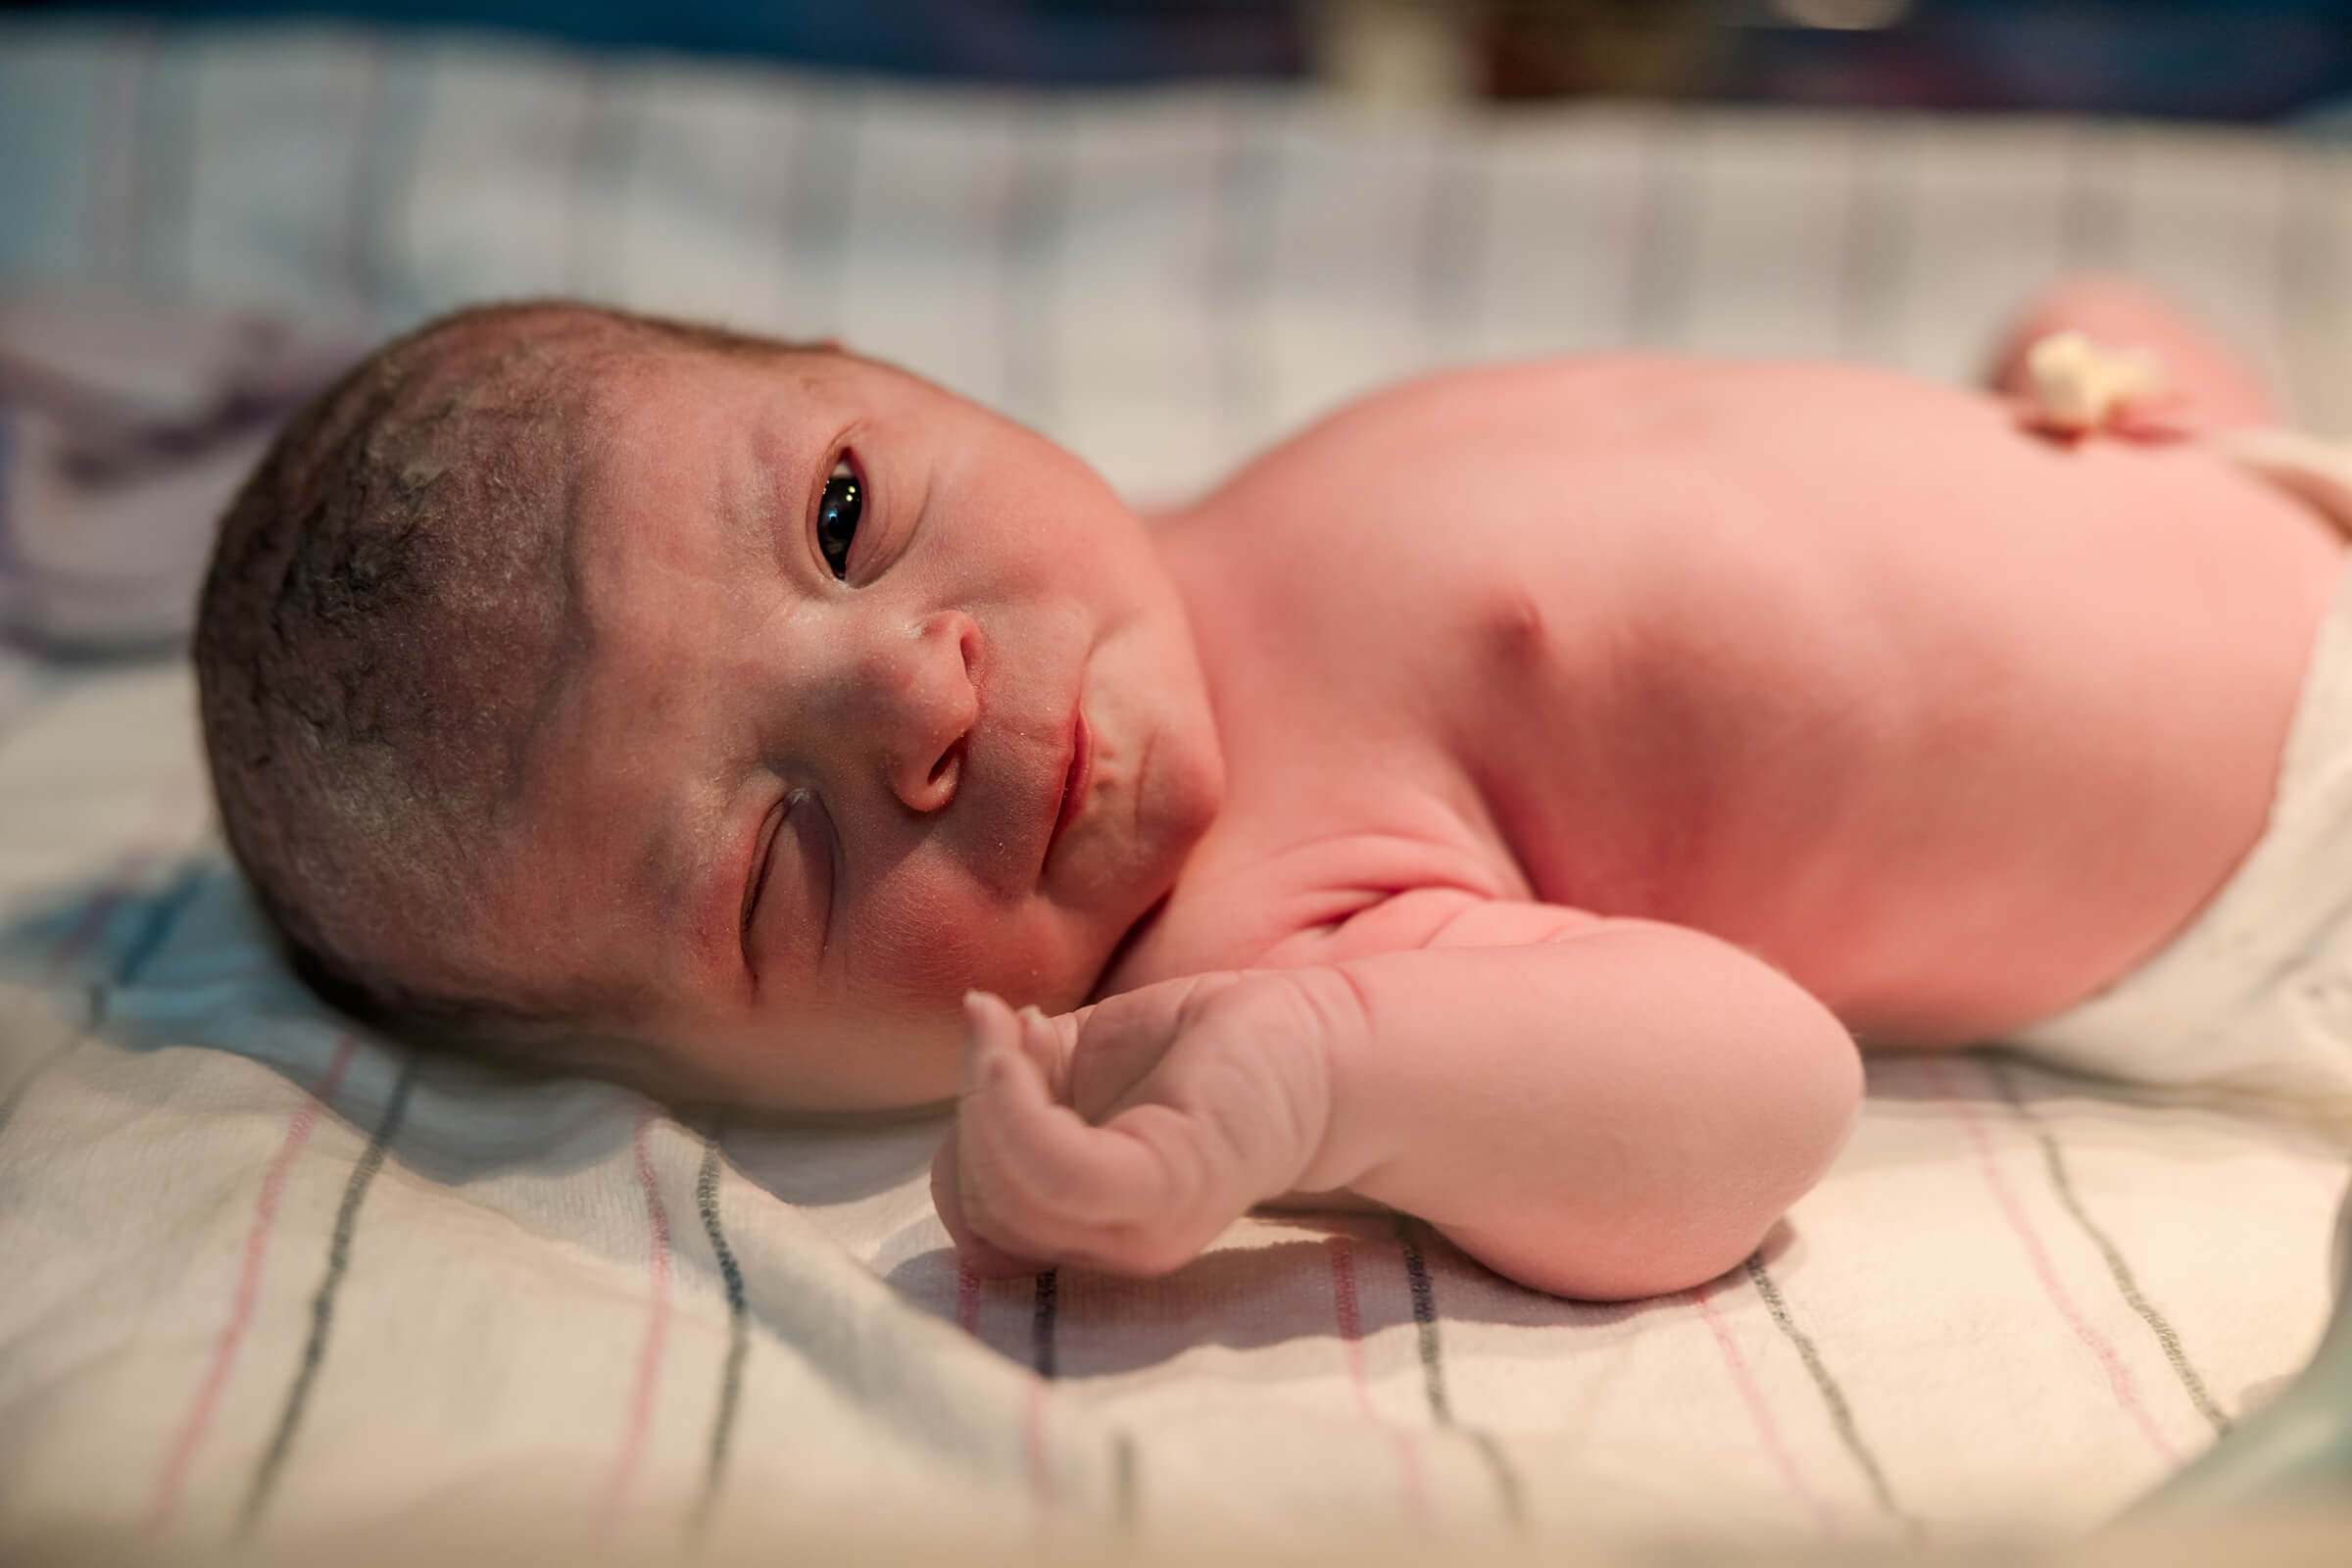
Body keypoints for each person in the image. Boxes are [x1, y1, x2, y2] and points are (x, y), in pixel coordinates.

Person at [193, 279, 2348, 1300]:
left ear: (885, 370)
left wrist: (2094, 428)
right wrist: (1295, 1087)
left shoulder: (1229, 520)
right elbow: (1758, 1092)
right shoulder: (1270, 927)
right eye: (778, 852)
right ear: (733, 1069)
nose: (911, 692)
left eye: (843, 513)